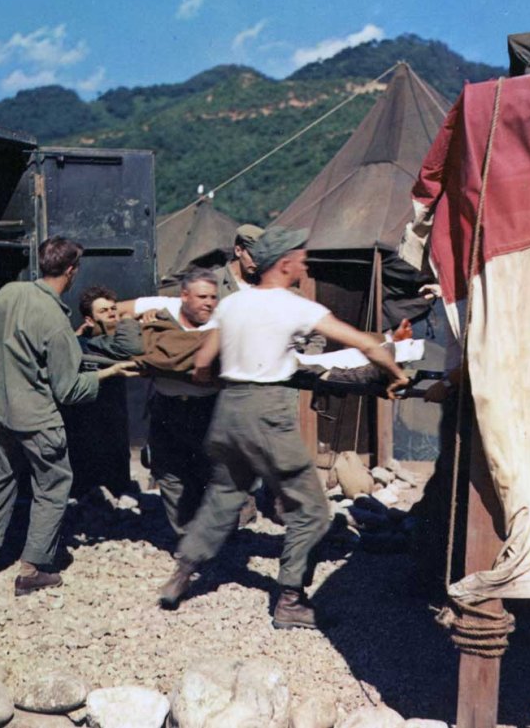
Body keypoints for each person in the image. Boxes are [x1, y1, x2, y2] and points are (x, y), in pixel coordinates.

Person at [158, 226, 409, 629]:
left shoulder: (233, 304)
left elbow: (203, 363)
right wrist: (395, 373)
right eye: (301, 261)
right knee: (312, 510)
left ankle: (180, 576)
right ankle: (290, 600)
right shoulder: (295, 306)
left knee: (223, 497)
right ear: (286, 263)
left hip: (229, 410)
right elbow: (364, 343)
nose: (304, 267)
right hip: (268, 410)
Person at [0, 237, 137, 596]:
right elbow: (69, 390)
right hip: (34, 419)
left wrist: (10, 362)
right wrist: (110, 373)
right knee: (53, 484)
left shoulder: (9, 293)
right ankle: (33, 569)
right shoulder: (57, 323)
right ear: (71, 271)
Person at [118, 268, 221, 537]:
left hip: (208, 409)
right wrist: (135, 319)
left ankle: (212, 532)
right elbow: (116, 310)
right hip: (168, 405)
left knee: (209, 472)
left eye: (213, 297)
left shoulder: (221, 320)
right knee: (167, 470)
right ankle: (186, 535)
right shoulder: (164, 307)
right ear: (184, 296)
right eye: (202, 297)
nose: (209, 303)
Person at [64, 285, 143, 497]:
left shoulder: (120, 340)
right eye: (103, 311)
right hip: (86, 420)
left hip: (114, 419)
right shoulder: (81, 345)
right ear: (89, 320)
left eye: (113, 308)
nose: (111, 313)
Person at [213, 223, 264, 298]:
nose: (256, 263)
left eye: (260, 258)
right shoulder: (215, 280)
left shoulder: (262, 283)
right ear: (238, 251)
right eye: (252, 257)